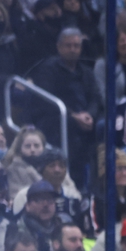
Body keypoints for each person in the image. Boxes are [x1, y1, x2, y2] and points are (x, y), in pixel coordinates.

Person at [27, 26, 102, 181]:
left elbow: (95, 97)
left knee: (103, 129)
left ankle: (95, 184)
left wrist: (89, 114)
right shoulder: (47, 69)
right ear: (59, 47)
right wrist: (73, 116)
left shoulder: (86, 72)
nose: (72, 49)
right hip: (56, 120)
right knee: (71, 136)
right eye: (68, 45)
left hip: (85, 122)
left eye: (76, 46)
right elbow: (46, 100)